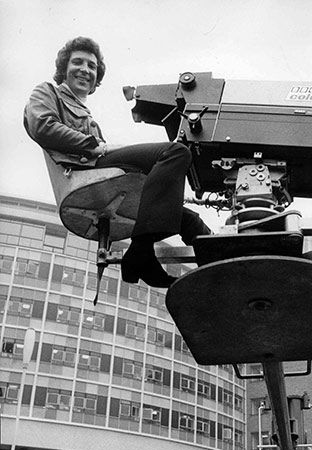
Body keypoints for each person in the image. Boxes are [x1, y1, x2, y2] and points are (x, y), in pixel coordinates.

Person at [23, 36, 211, 289]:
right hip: (84, 168)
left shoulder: (85, 112)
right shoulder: (47, 92)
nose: (85, 70)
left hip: (96, 166)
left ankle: (216, 269)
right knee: (175, 153)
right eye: (77, 62)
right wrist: (95, 145)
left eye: (91, 66)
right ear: (63, 69)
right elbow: (42, 126)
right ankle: (141, 252)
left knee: (188, 219)